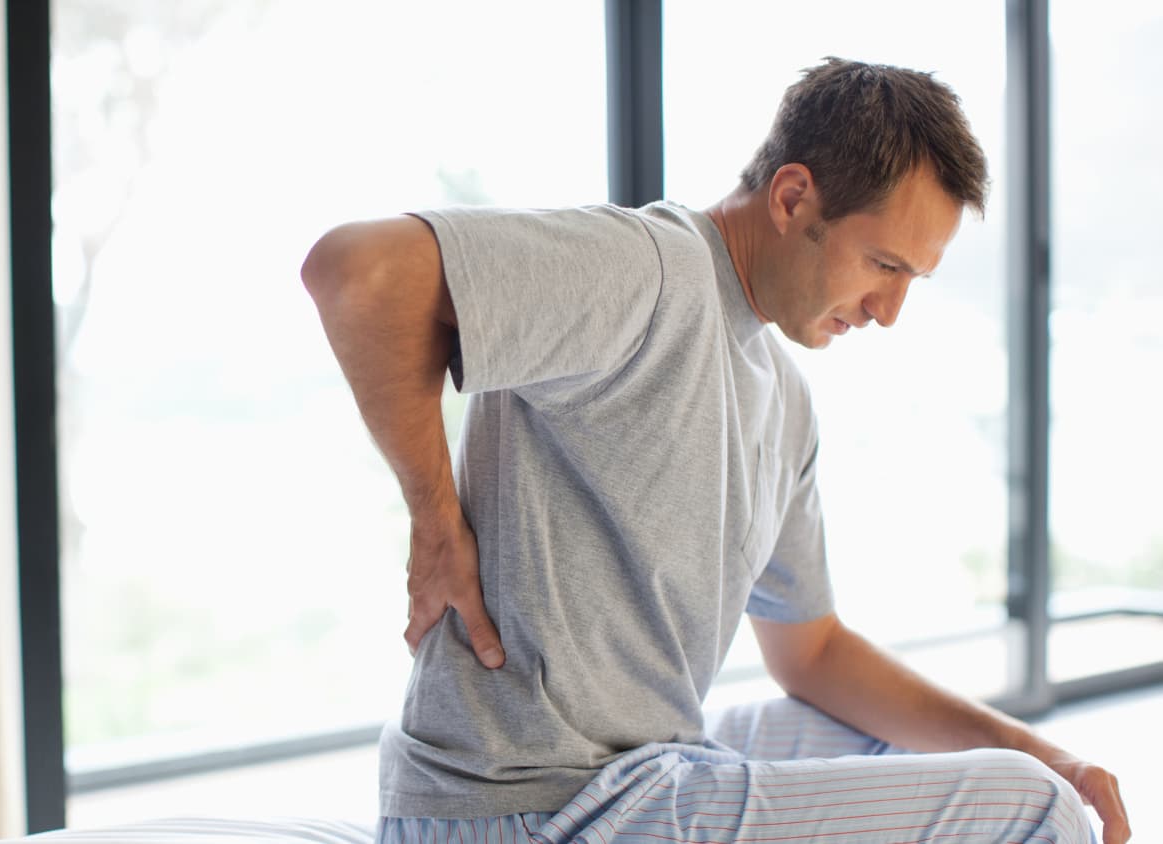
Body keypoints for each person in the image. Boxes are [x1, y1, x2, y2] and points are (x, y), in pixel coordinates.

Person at [301, 58, 1130, 844]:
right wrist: (437, 525)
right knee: (1035, 812)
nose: (889, 311)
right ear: (794, 197)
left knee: (951, 754)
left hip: (641, 773)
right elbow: (360, 272)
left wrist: (1034, 744)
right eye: (883, 264)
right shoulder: (650, 272)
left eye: (913, 277)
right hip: (532, 808)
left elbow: (810, 654)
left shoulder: (784, 394)